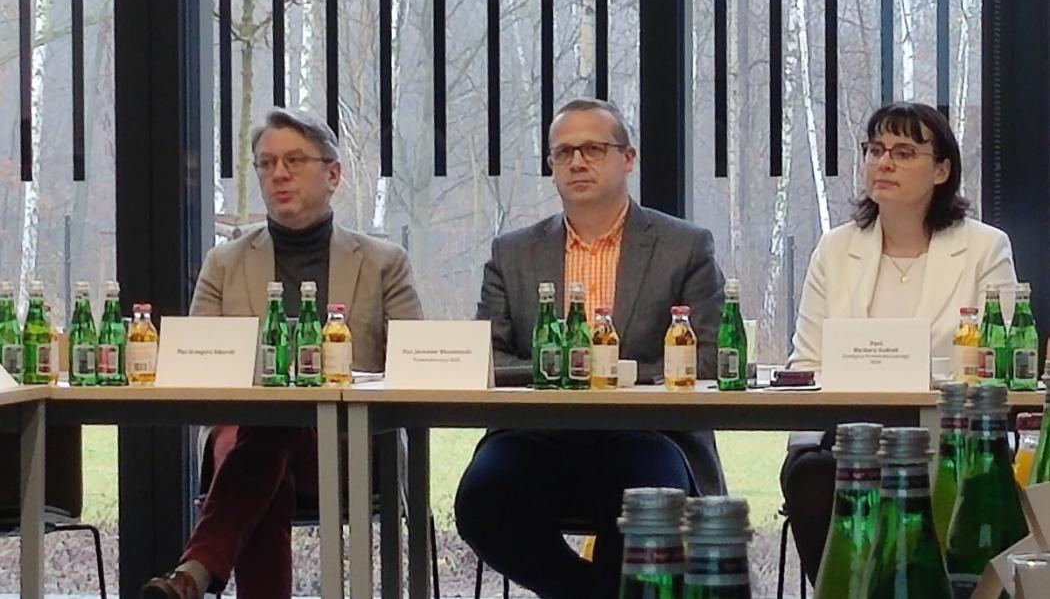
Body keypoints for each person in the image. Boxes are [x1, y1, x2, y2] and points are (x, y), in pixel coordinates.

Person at [142, 108, 422, 599]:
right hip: (247, 437)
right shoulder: (224, 262)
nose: (279, 174)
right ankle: (196, 572)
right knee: (267, 438)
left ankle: (195, 571)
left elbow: (414, 368)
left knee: (263, 442)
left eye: (294, 161)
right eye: (266, 163)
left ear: (333, 175)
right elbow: (193, 368)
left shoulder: (384, 262)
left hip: (350, 445)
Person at [455, 98, 727, 599]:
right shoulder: (513, 253)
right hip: (535, 433)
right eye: (564, 153)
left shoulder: (684, 247)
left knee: (649, 502)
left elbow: (706, 357)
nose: (577, 162)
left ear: (628, 159)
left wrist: (611, 372)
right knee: (481, 499)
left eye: (594, 149)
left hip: (647, 432)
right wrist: (564, 372)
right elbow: (488, 355)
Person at [782, 101, 1017, 583]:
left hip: (949, 440)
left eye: (904, 152)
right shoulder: (835, 249)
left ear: (941, 170)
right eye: (875, 150)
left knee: (974, 487)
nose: (883, 162)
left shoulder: (985, 248)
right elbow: (806, 362)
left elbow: (998, 365)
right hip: (848, 438)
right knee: (813, 476)